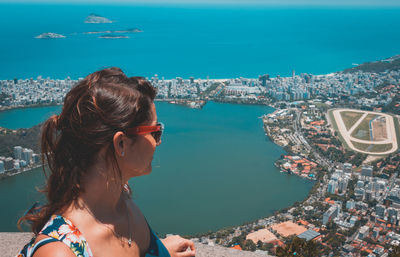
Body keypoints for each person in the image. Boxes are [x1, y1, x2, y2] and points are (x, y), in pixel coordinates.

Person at [17, 68, 196, 257]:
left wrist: (159, 251)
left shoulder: (120, 193)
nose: (158, 142)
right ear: (121, 144)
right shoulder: (60, 252)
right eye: (155, 132)